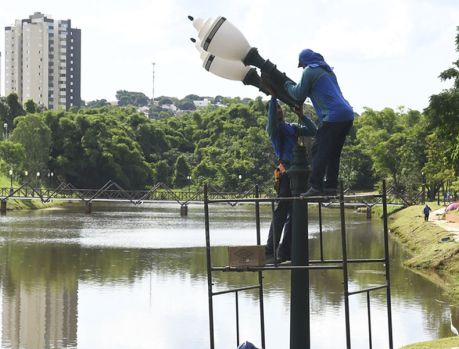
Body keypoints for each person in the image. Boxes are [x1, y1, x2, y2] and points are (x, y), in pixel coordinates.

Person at [282, 49, 354, 196]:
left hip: (332, 117)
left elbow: (298, 93)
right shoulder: (327, 70)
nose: (302, 67)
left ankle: (316, 186)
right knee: (333, 153)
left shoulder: (309, 71)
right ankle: (331, 187)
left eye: (302, 64)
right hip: (347, 115)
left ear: (305, 61)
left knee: (318, 151)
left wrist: (286, 85)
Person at [264, 96, 317, 264]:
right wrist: (273, 97)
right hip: (286, 172)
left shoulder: (292, 127)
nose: (279, 110)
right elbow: (272, 120)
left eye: (280, 107)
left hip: (298, 174)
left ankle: (285, 251)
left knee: (295, 214)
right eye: (276, 109)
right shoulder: (273, 129)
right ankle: (271, 249)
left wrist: (301, 115)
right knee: (281, 211)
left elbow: (313, 130)